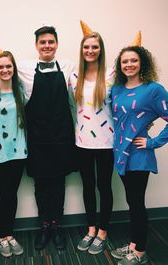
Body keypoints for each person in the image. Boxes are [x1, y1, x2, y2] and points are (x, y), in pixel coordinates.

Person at [18, 24, 75, 250]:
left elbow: (92, 84)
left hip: (61, 138)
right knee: (41, 186)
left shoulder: (69, 66)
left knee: (59, 185)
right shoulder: (23, 67)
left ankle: (56, 226)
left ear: (57, 44)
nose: (47, 45)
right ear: (36, 46)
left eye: (51, 41)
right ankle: (44, 226)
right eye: (43, 42)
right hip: (38, 140)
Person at [110, 45, 168, 265]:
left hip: (139, 156)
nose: (129, 65)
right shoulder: (117, 90)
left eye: (133, 60)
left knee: (136, 203)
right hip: (121, 154)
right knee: (131, 201)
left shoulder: (154, 89)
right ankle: (134, 244)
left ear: (142, 62)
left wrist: (153, 142)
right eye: (125, 61)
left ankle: (140, 252)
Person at [70, 21, 114, 255]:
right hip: (82, 141)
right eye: (87, 47)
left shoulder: (112, 74)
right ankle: (91, 228)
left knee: (103, 186)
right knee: (87, 186)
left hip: (107, 142)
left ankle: (103, 231)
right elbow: (71, 105)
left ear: (100, 49)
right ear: (82, 49)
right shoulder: (74, 75)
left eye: (95, 47)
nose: (90, 51)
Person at [0, 42, 27, 257]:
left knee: (12, 194)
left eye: (8, 66)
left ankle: (9, 234)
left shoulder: (21, 92)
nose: (4, 70)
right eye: (0, 67)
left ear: (13, 68)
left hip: (19, 152)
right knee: (5, 195)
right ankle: (2, 236)